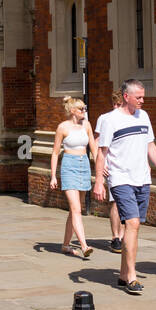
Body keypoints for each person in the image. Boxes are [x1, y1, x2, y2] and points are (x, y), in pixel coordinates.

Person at [94, 79, 156, 295]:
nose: (142, 100)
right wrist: (99, 181)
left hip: (143, 178)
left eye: (143, 97)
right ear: (126, 97)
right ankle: (131, 276)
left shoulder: (144, 116)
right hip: (121, 178)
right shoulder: (109, 120)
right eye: (138, 97)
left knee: (134, 226)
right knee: (132, 224)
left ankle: (123, 274)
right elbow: (101, 152)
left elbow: (150, 146)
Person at [49, 97, 96, 258]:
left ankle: (65, 245)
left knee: (75, 210)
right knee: (76, 209)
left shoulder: (87, 125)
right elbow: (55, 152)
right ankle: (84, 246)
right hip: (69, 166)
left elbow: (94, 149)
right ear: (72, 111)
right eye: (81, 109)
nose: (84, 111)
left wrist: (99, 168)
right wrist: (53, 176)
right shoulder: (63, 127)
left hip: (84, 166)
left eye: (85, 108)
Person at [95, 89, 125, 253]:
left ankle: (124, 235)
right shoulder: (105, 118)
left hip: (128, 167)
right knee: (115, 201)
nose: (115, 107)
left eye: (119, 104)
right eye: (114, 103)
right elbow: (97, 143)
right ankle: (116, 237)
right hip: (111, 166)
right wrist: (101, 164)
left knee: (126, 203)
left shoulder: (133, 117)